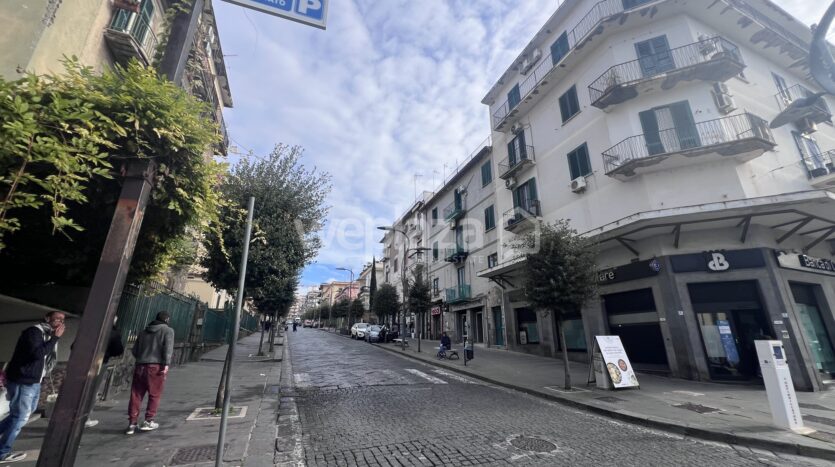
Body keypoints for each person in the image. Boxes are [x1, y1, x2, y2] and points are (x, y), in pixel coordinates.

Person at [0, 311, 65, 463]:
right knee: (20, 416)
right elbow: (37, 354)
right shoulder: (34, 332)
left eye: (63, 320)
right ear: (47, 318)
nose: (60, 322)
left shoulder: (47, 335)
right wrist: (55, 338)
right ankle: (2, 452)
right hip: (23, 380)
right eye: (57, 318)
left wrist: (53, 338)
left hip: (34, 380)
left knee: (24, 413)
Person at [126, 311, 174, 435]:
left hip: (140, 365)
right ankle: (148, 420)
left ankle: (132, 423)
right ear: (167, 320)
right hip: (156, 366)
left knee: (136, 394)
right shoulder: (168, 331)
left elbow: (135, 350)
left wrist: (142, 358)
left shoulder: (143, 332)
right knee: (155, 394)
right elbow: (168, 349)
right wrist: (166, 364)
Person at [84, 318, 125, 428]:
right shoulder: (112, 333)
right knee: (92, 389)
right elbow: (118, 350)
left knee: (79, 387)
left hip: (82, 360)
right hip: (99, 361)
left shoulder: (89, 328)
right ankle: (85, 417)